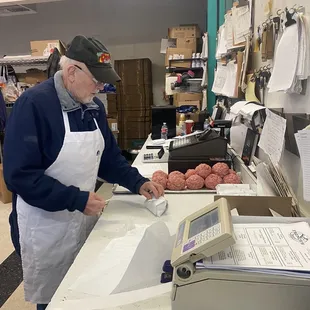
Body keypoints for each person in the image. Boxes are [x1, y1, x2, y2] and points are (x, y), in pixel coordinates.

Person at [3, 35, 164, 310]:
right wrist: (76, 200)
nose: (101, 86)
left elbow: (108, 158)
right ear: (72, 72)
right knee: (55, 300)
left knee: (83, 291)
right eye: (97, 79)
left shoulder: (93, 107)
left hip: (82, 218)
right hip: (45, 226)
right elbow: (20, 176)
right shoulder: (33, 106)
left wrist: (137, 182)